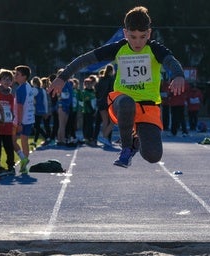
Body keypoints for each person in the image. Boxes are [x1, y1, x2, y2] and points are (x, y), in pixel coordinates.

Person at [49, 6, 185, 168]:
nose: (137, 42)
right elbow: (85, 59)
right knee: (127, 103)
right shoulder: (118, 48)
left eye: (142, 37)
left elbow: (172, 61)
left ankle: (136, 141)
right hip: (121, 100)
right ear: (125, 33)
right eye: (133, 37)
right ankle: (126, 149)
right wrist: (63, 77)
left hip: (148, 106)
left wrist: (178, 75)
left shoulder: (155, 49)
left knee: (153, 156)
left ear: (149, 33)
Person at [12, 65, 35, 174]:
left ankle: (23, 160)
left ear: (24, 76)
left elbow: (20, 107)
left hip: (21, 120)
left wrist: (19, 122)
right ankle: (24, 165)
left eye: (17, 74)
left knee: (12, 141)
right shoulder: (28, 86)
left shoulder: (21, 89)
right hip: (29, 118)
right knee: (24, 142)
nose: (15, 76)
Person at [0, 69, 15, 174]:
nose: (7, 81)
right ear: (0, 80)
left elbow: (12, 110)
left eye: (9, 79)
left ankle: (11, 165)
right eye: (4, 79)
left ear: (12, 82)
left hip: (8, 126)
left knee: (9, 147)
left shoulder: (11, 96)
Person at [94, 64, 114, 146]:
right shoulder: (111, 79)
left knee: (105, 121)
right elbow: (112, 91)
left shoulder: (100, 79)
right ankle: (105, 137)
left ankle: (104, 138)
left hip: (100, 102)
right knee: (112, 121)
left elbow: (96, 91)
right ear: (112, 71)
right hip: (108, 102)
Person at [55, 69, 73, 146]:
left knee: (64, 124)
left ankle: (62, 139)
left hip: (67, 105)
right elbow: (62, 95)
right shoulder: (61, 83)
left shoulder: (68, 83)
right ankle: (60, 140)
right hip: (62, 105)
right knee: (61, 124)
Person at [31, 76, 48, 146]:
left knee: (36, 126)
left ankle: (47, 137)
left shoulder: (33, 90)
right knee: (37, 126)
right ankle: (35, 141)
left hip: (36, 110)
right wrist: (46, 111)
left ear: (34, 83)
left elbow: (31, 99)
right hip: (41, 110)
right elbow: (45, 101)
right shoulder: (43, 90)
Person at [81, 75, 97, 146]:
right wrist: (92, 111)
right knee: (87, 125)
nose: (88, 85)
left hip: (93, 110)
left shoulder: (93, 91)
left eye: (89, 83)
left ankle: (91, 137)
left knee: (91, 125)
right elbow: (87, 102)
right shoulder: (85, 92)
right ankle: (87, 138)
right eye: (86, 84)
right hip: (87, 111)